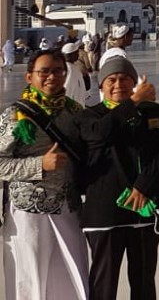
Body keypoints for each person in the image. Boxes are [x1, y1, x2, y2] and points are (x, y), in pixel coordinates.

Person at [76, 55, 159, 300]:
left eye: (124, 79)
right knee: (104, 282)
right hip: (105, 212)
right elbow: (99, 135)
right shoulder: (89, 117)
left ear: (134, 82)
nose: (118, 84)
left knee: (144, 281)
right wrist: (133, 103)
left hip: (142, 209)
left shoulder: (155, 112)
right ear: (101, 85)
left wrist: (143, 186)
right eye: (111, 80)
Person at [0, 48, 90, 299]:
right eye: (45, 72)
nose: (52, 77)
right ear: (29, 77)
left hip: (68, 208)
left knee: (71, 275)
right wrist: (40, 164)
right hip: (28, 213)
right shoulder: (16, 115)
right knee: (30, 278)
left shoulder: (75, 112)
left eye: (58, 71)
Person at [63, 39, 99, 108]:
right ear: (71, 55)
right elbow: (67, 90)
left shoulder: (72, 67)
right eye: (76, 53)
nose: (78, 55)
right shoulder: (70, 69)